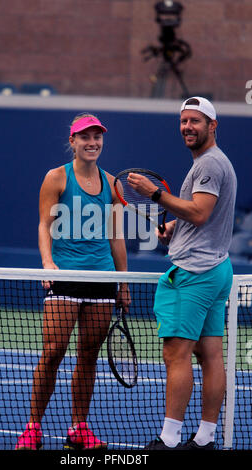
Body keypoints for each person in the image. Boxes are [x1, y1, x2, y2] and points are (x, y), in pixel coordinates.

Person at [127, 97, 237, 450]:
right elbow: (204, 215)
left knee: (177, 355)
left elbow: (201, 213)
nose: (188, 126)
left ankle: (170, 440)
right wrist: (175, 226)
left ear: (212, 125)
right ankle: (204, 439)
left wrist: (155, 194)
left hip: (193, 274)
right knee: (210, 356)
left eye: (196, 121)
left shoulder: (209, 165)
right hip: (217, 269)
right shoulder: (215, 163)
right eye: (183, 121)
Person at [15, 113, 130, 450]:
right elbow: (43, 225)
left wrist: (123, 283)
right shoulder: (55, 178)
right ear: (73, 142)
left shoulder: (113, 184)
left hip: (102, 279)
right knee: (53, 352)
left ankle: (78, 428)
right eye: (85, 137)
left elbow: (116, 237)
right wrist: (48, 263)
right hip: (65, 278)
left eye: (97, 137)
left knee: (88, 355)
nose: (92, 142)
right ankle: (33, 427)